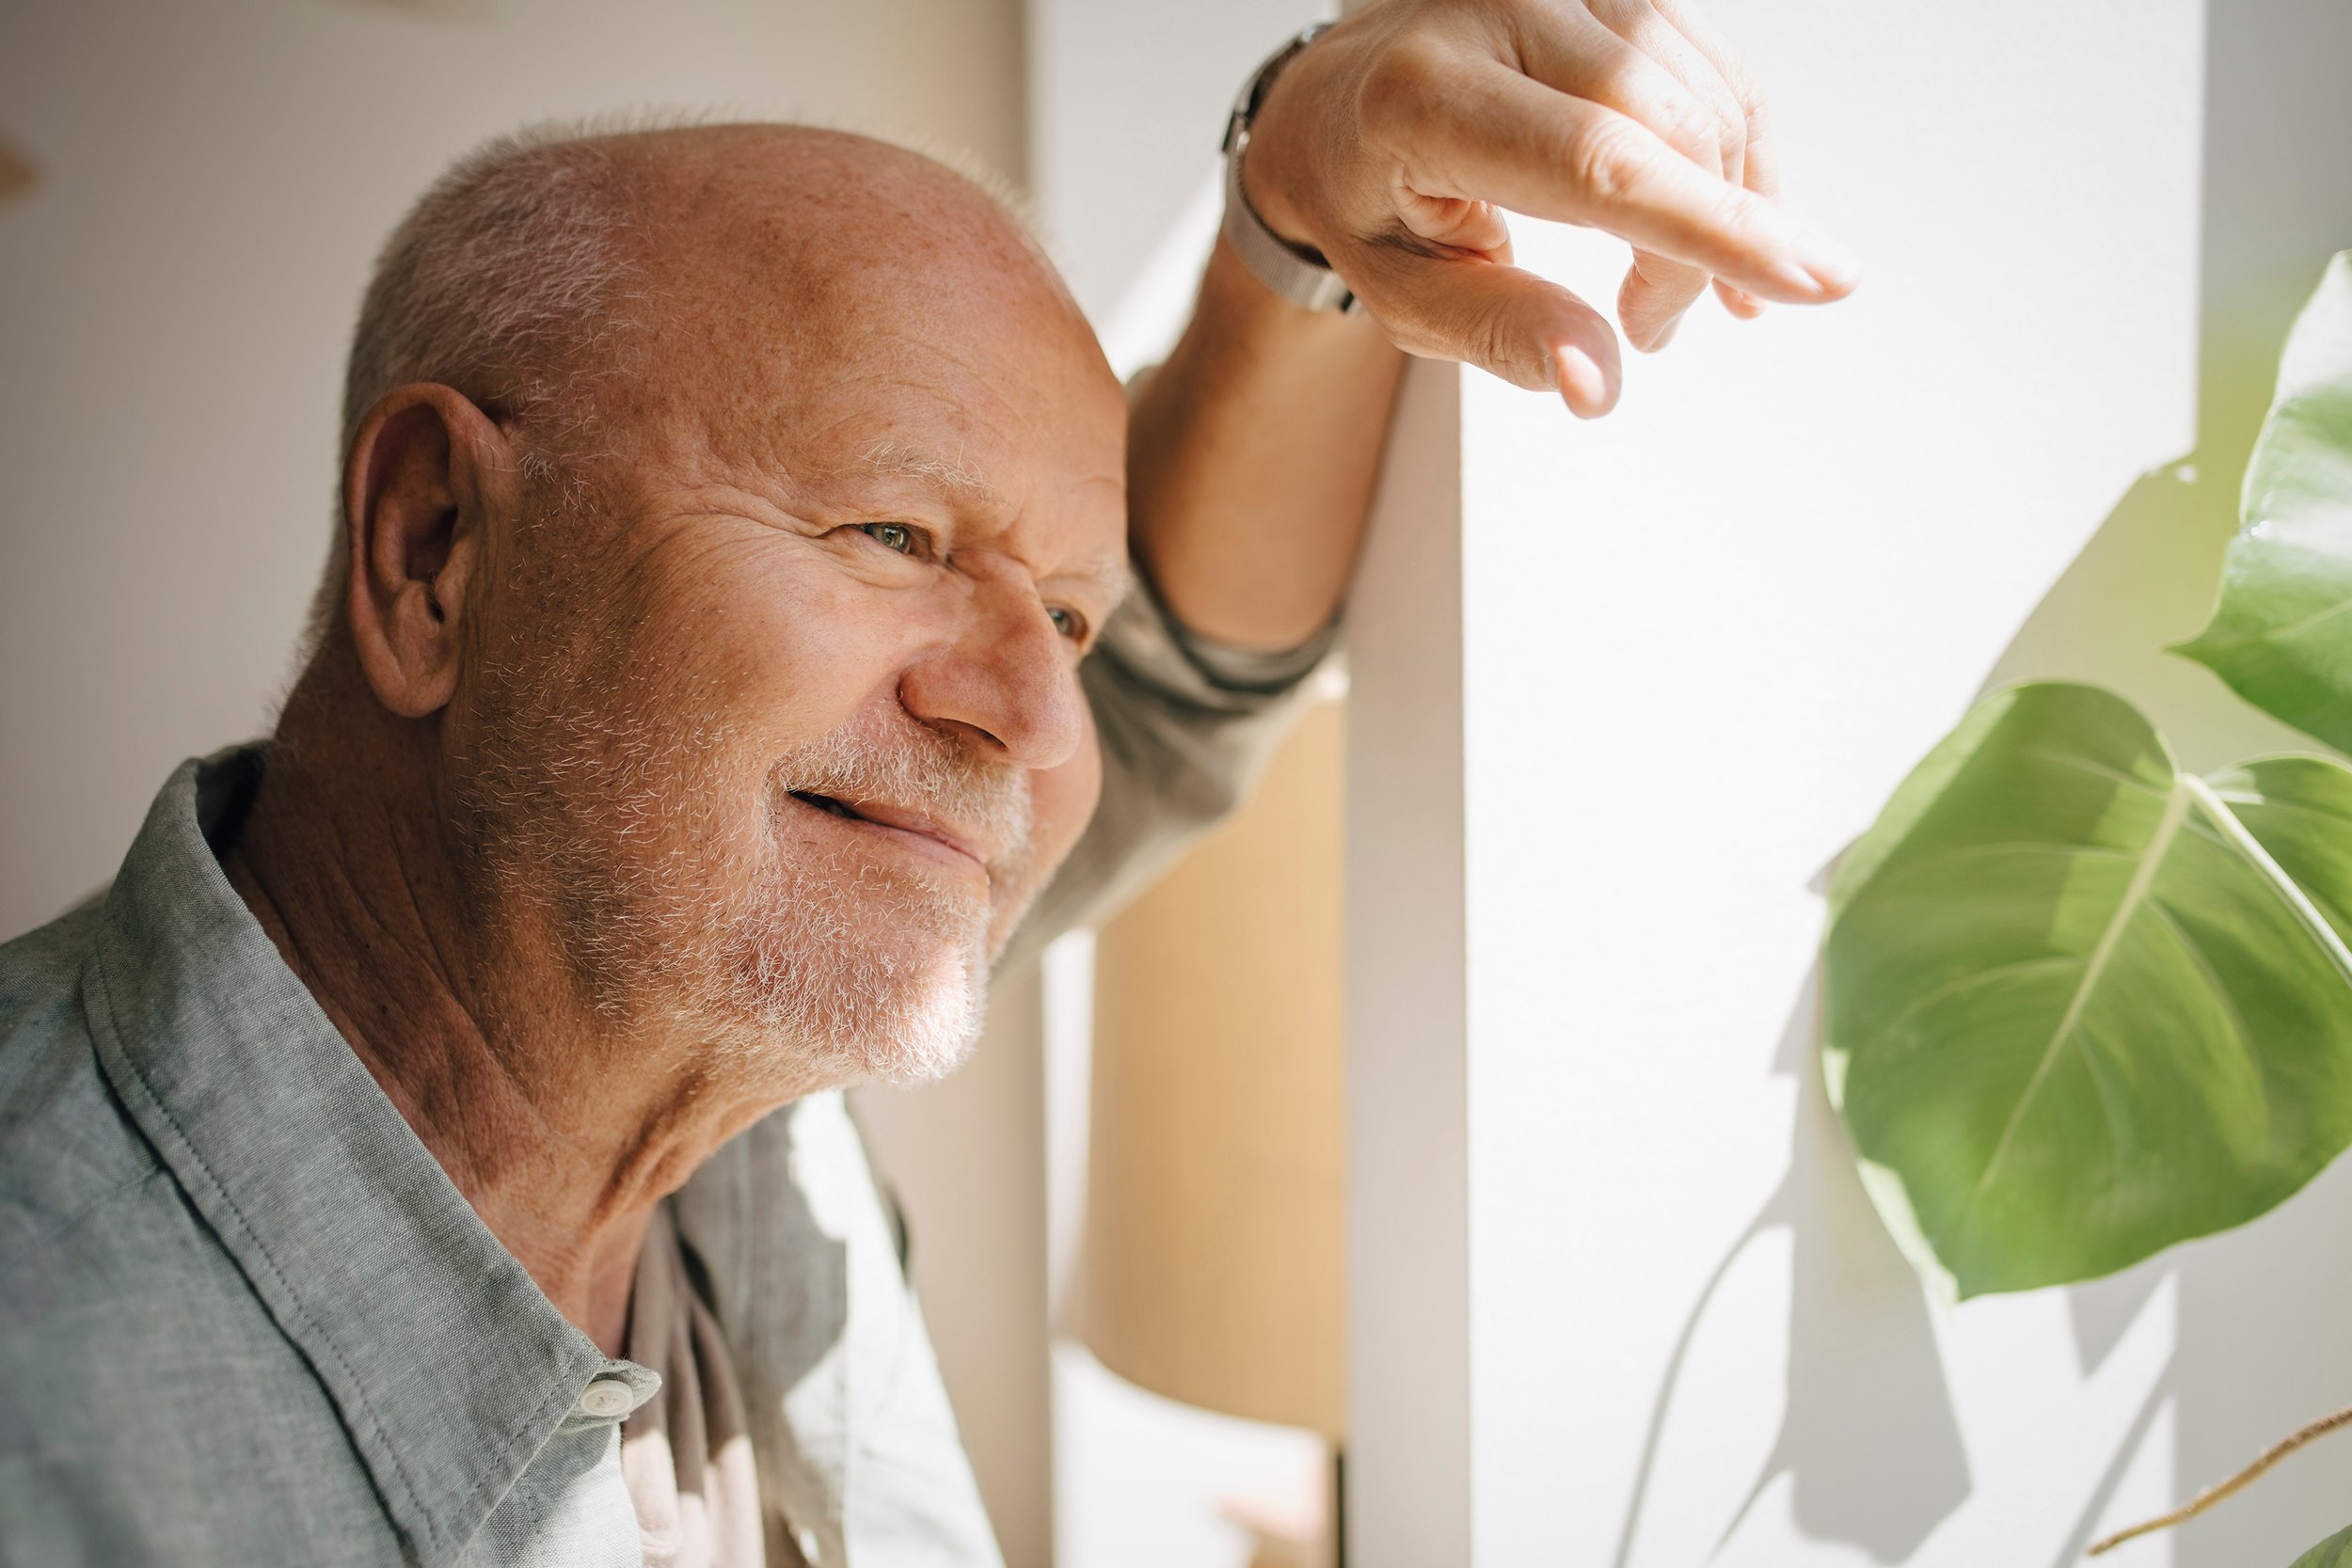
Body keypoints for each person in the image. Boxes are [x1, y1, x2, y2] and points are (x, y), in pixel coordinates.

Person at [0, 2, 1855, 1563]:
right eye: (889, 530)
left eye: (1059, 611)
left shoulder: (733, 1030)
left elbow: (1161, 690)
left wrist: (1291, 205)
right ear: (434, 553)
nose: (1032, 721)